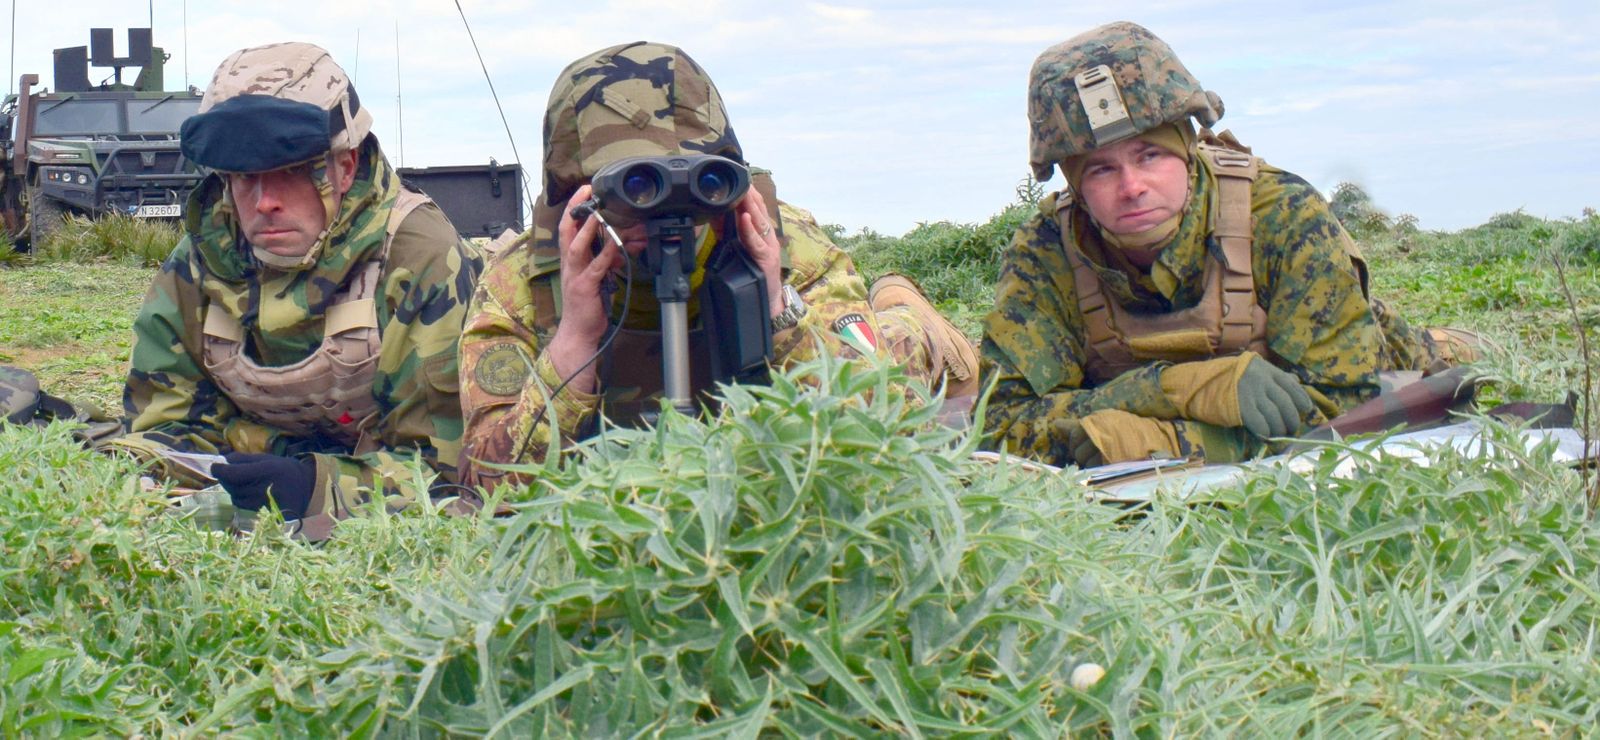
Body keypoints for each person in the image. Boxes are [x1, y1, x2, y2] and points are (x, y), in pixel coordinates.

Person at [457, 41, 976, 489]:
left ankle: (909, 307)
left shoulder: (782, 242)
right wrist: (572, 343)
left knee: (903, 344)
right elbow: (489, 483)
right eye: (636, 187)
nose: (663, 214)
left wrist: (775, 309)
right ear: (577, 193)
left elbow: (878, 433)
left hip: (890, 340)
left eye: (690, 184)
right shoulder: (523, 280)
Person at [980, 22, 1483, 468]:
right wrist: (1169, 389)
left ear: (1188, 148)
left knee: (1430, 363)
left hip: (1365, 347)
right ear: (1074, 182)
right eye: (1102, 169)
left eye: (1150, 155)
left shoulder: (1281, 214)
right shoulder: (1046, 250)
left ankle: (1450, 337)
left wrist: (1178, 443)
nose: (1131, 186)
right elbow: (1002, 425)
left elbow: (1348, 405)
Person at [107, 42, 481, 533]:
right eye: (244, 178)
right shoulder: (201, 261)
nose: (265, 203)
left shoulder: (418, 257)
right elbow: (164, 428)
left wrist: (316, 488)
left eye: (288, 174)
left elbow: (446, 470)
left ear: (344, 168)